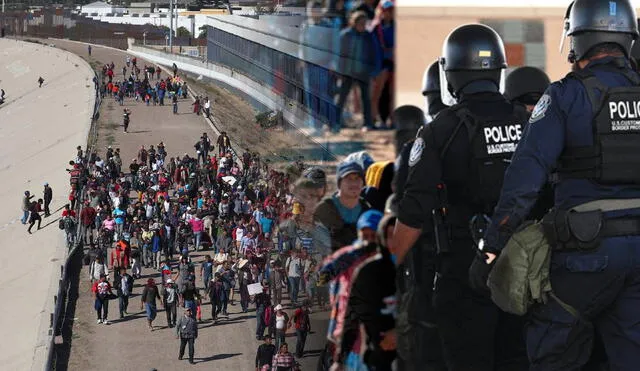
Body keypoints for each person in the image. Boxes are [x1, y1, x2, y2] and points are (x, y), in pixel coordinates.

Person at [473, 1, 640, 369]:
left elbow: (525, 178)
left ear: (578, 39)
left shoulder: (566, 94)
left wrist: (492, 245)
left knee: (553, 351)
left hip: (585, 255)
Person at [392, 24, 532, 370]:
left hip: (464, 271)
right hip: (524, 269)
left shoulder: (439, 130)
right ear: (499, 70)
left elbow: (413, 213)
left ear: (451, 73)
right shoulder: (529, 123)